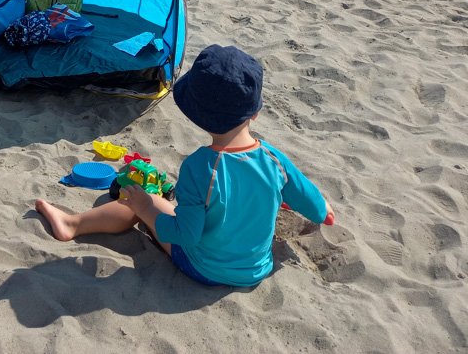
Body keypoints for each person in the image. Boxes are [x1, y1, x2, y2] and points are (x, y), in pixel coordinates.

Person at [36, 44, 334, 287]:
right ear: (254, 113)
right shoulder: (274, 159)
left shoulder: (201, 167)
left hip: (205, 268)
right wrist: (324, 211)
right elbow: (314, 206)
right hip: (255, 270)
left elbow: (184, 234)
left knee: (142, 201)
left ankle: (72, 225)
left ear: (197, 116)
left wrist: (146, 208)